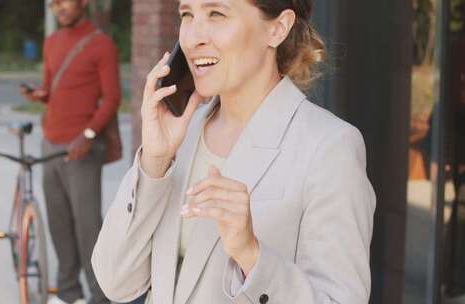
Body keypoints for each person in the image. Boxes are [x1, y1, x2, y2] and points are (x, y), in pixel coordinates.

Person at [92, 0, 376, 303]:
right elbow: (115, 282)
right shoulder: (179, 133)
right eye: (187, 14)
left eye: (216, 13)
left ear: (277, 28)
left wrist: (252, 255)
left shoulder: (329, 148)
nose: (192, 38)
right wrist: (154, 162)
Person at [20, 0, 120, 303]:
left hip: (82, 149)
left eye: (64, 1)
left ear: (83, 2)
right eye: (53, 4)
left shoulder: (102, 44)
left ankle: (100, 296)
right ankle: (67, 293)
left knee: (88, 226)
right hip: (50, 143)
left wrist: (88, 134)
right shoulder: (52, 42)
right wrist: (40, 95)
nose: (58, 8)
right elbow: (52, 88)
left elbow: (112, 98)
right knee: (59, 222)